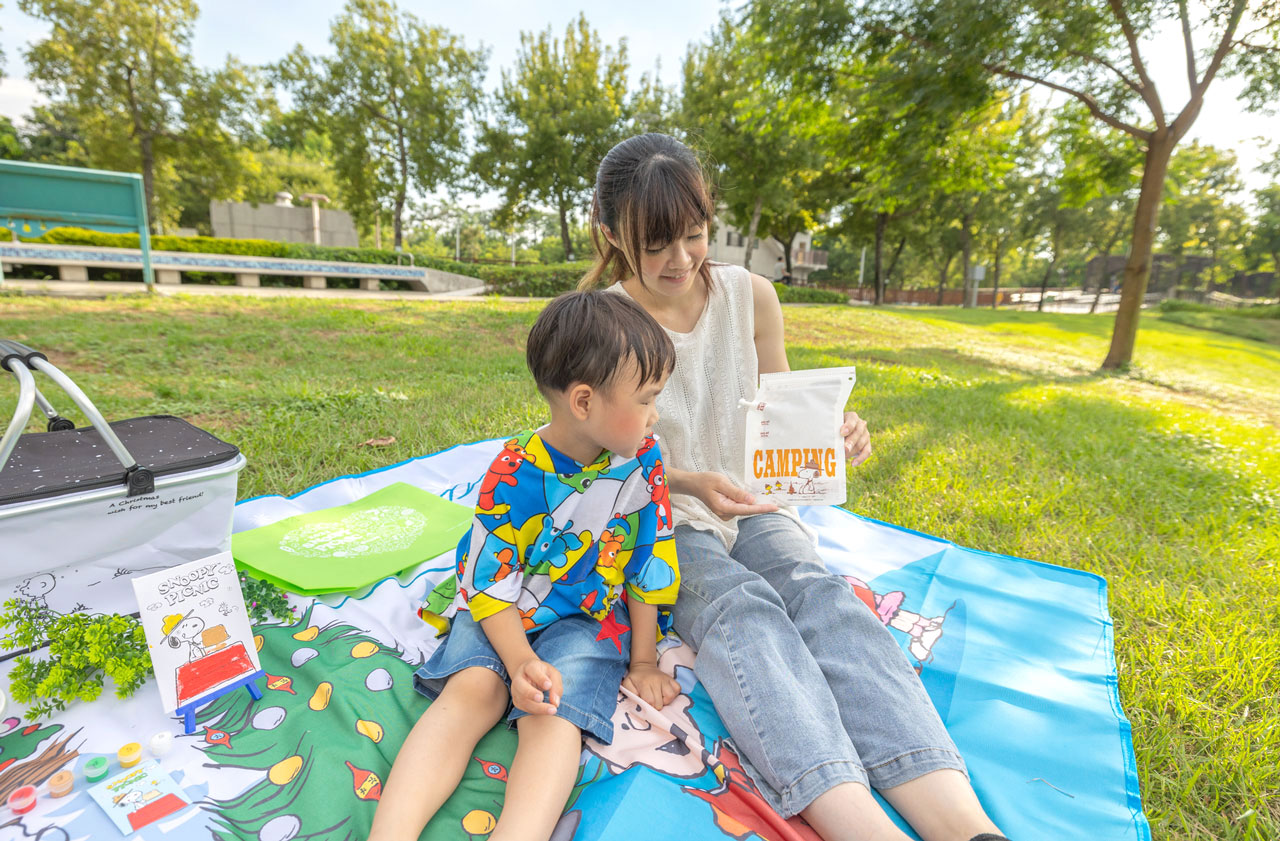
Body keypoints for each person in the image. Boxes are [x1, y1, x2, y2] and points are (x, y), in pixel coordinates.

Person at [581, 133, 1009, 841]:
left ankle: (964, 824)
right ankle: (861, 826)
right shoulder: (604, 322)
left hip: (754, 499)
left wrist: (837, 431)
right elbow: (599, 460)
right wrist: (689, 480)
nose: (681, 259)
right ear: (611, 234)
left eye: (694, 234)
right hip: (660, 510)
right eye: (656, 244)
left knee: (820, 591)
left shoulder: (752, 296)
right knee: (741, 609)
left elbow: (784, 412)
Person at [368, 290, 682, 841]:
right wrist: (517, 664)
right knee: (473, 692)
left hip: (582, 620)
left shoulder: (645, 461)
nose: (657, 414)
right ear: (584, 402)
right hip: (502, 611)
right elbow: (490, 585)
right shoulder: (512, 474)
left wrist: (643, 661)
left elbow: (646, 559)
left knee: (555, 716)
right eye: (648, 398)